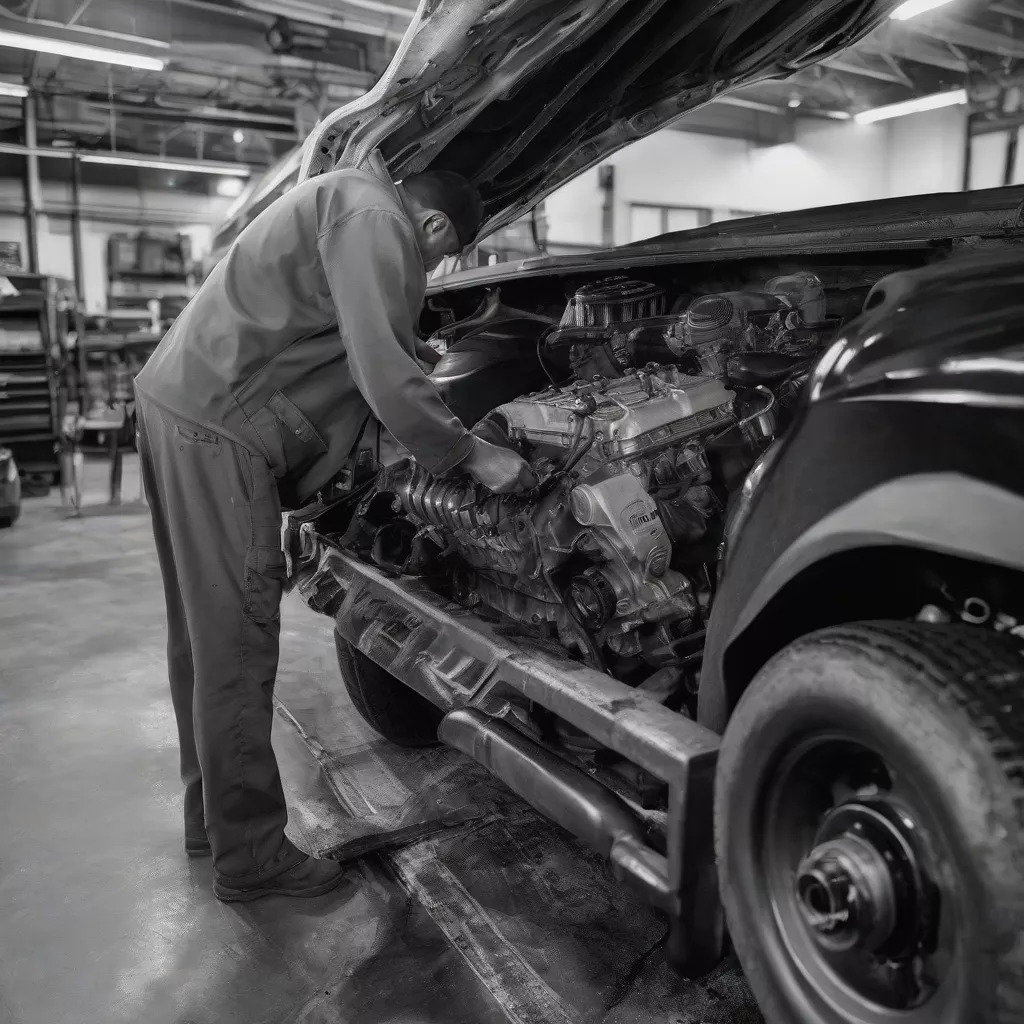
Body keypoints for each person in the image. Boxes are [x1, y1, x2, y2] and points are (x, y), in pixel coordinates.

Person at [133, 149, 536, 903]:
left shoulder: (346, 201)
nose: (437, 268)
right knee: (236, 641)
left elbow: (354, 329)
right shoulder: (374, 215)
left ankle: (212, 822)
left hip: (180, 407)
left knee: (201, 639)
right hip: (217, 431)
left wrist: (421, 353)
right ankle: (250, 858)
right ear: (435, 223)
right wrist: (470, 455)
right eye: (444, 255)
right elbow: (380, 365)